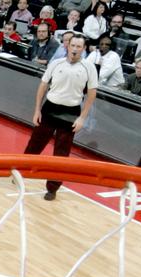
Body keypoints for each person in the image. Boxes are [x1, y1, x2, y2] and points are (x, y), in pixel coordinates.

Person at [25, 34, 98, 200]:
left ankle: (52, 188)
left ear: (83, 49)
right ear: (67, 46)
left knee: (61, 154)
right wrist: (37, 110)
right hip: (49, 109)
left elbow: (92, 94)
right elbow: (43, 86)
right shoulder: (56, 63)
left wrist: (82, 118)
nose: (74, 49)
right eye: (72, 45)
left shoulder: (89, 67)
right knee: (34, 144)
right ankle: (20, 172)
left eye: (79, 46)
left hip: (70, 113)